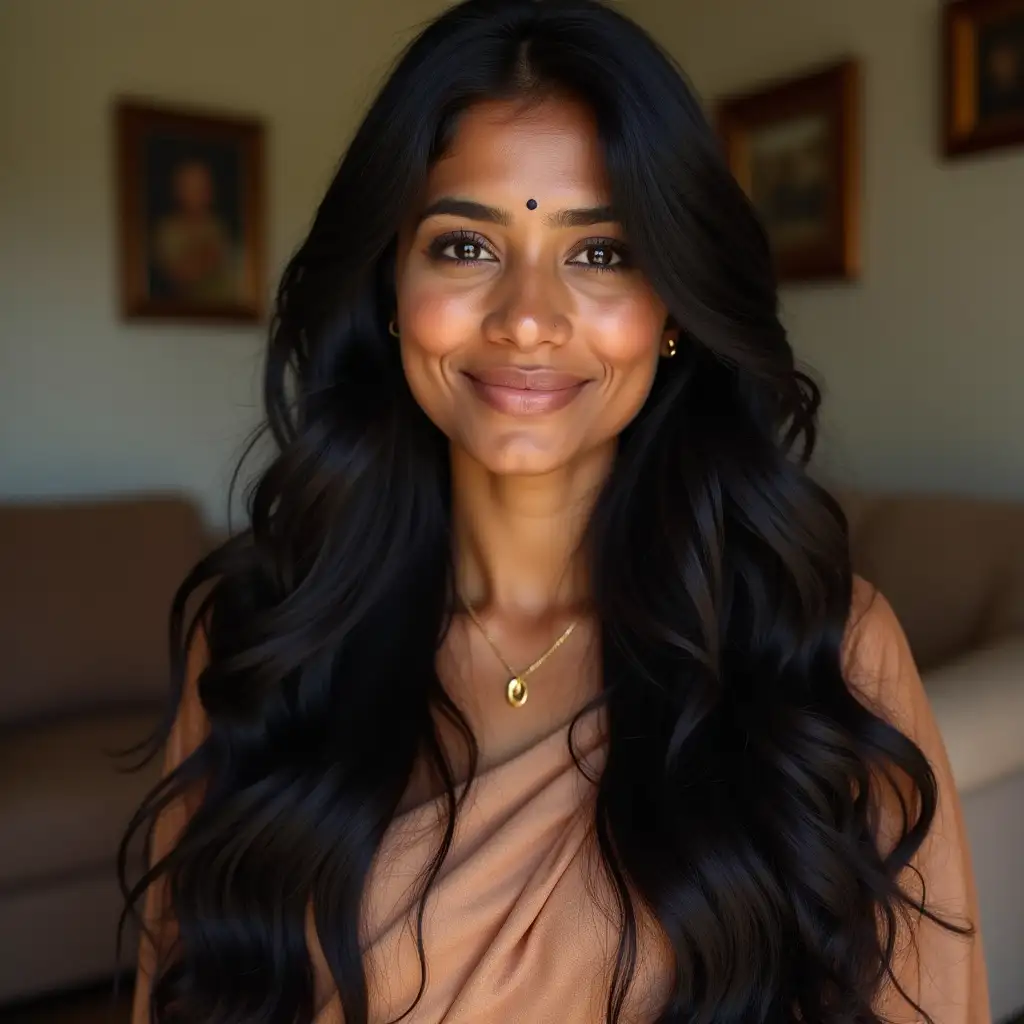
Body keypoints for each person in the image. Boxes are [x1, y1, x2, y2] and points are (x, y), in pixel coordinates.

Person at [121, 1, 990, 1022]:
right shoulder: (267, 639)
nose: (527, 316)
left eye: (602, 253)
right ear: (391, 285)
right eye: (463, 246)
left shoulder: (817, 647)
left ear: (673, 308)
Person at [150, 158, 239, 304]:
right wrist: (206, 257)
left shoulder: (218, 226)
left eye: (201, 187)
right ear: (178, 190)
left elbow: (227, 265)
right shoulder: (168, 229)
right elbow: (180, 274)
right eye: (190, 187)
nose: (197, 193)